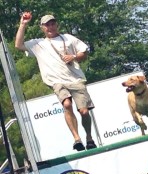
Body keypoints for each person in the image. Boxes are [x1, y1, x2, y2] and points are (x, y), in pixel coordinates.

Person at [15, 13, 97, 151]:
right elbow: (18, 45)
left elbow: (84, 52)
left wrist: (74, 57)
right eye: (47, 25)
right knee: (67, 103)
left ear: (56, 25)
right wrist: (23, 23)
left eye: (52, 24)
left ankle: (89, 138)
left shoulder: (68, 38)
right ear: (42, 28)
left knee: (84, 111)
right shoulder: (38, 44)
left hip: (76, 79)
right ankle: (77, 139)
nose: (50, 27)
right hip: (57, 82)